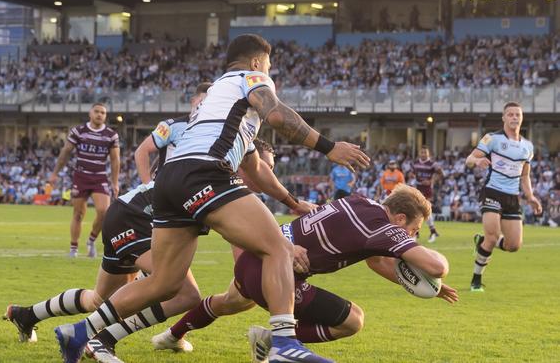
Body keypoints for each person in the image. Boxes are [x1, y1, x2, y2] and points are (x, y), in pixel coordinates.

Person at [54, 34, 369, 363]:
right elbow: (277, 115)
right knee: (276, 246)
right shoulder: (251, 78)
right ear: (257, 62)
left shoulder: (219, 101)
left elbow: (255, 167)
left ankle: (79, 331)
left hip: (170, 181)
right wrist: (330, 147)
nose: (269, 72)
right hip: (205, 173)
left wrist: (292, 202)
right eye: (269, 66)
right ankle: (284, 345)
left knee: (165, 281)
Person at [6, 140, 313, 363]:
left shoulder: (220, 176)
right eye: (264, 169)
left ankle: (26, 315)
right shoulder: (224, 182)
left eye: (271, 171)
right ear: (246, 164)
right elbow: (246, 270)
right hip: (137, 217)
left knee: (100, 299)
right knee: (180, 292)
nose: (266, 177)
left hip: (130, 213)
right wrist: (282, 277)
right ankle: (98, 339)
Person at [152, 184, 458, 363]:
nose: (413, 237)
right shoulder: (381, 227)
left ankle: (172, 336)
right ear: (400, 217)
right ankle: (275, 343)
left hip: (254, 258)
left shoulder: (360, 201)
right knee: (353, 320)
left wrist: (427, 286)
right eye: (414, 231)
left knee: (228, 302)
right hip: (277, 271)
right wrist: (435, 273)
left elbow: (376, 262)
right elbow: (437, 266)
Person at [465, 102, 542, 292]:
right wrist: (477, 160)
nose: (514, 118)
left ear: (521, 118)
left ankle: (480, 241)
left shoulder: (527, 147)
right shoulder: (492, 139)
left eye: (517, 115)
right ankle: (476, 280)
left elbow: (525, 175)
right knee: (491, 238)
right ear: (504, 118)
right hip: (492, 191)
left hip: (512, 197)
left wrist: (531, 196)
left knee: (513, 245)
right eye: (510, 114)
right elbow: (469, 160)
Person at [48, 103, 120, 258]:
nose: (100, 114)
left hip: (99, 176)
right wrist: (55, 173)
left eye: (103, 112)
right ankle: (73, 249)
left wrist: (115, 182)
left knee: (104, 211)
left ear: (105, 116)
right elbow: (65, 152)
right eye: (97, 111)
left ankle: (91, 240)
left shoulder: (111, 135)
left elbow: (115, 160)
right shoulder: (78, 131)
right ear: (90, 113)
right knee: (78, 214)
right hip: (80, 176)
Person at [134, 83, 212, 184]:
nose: (204, 106)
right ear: (193, 101)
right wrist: (147, 186)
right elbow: (141, 151)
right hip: (166, 191)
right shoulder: (172, 126)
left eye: (210, 103)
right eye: (202, 101)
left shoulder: (213, 131)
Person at [412, 146, 443, 243]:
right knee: (417, 211)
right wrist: (413, 176)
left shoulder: (432, 164)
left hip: (427, 189)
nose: (423, 154)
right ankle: (430, 231)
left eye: (425, 152)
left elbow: (441, 173)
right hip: (418, 188)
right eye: (422, 152)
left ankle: (418, 233)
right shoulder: (415, 163)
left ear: (428, 154)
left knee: (425, 210)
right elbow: (412, 173)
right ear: (419, 153)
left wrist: (431, 180)